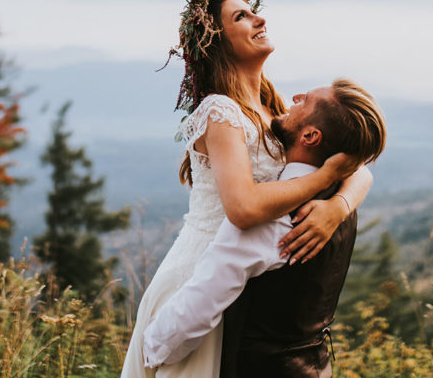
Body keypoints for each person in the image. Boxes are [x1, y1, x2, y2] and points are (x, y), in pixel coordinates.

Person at [120, 0, 373, 378]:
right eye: (241, 16)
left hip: (242, 287)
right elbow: (243, 209)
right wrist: (324, 180)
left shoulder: (273, 109)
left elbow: (359, 165)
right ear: (218, 40)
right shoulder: (220, 112)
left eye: (254, 10)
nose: (259, 18)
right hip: (200, 283)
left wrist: (337, 207)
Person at [141, 80, 386, 378]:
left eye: (304, 100)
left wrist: (150, 347)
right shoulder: (339, 201)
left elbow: (201, 303)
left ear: (310, 135)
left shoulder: (275, 217)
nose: (292, 98)